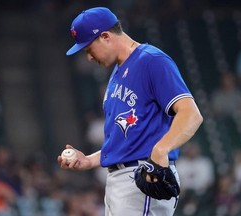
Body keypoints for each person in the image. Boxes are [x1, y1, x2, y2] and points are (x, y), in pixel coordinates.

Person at [58, 7, 203, 216]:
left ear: (106, 36)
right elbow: (128, 140)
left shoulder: (151, 60)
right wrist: (89, 160)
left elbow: (191, 114)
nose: (89, 57)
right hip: (120, 181)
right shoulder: (117, 72)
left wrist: (160, 150)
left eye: (89, 49)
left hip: (142, 177)